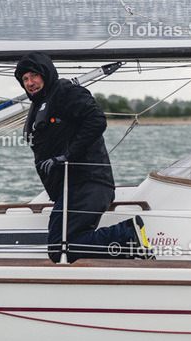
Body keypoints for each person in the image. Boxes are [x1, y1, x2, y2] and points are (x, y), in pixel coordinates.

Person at [15, 52, 151, 263]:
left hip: (86, 183)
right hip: (75, 188)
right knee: (65, 245)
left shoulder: (64, 91)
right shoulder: (39, 104)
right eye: (25, 79)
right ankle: (129, 246)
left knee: (58, 248)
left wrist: (66, 157)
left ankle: (127, 236)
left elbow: (96, 120)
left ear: (46, 74)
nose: (30, 83)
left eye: (34, 76)